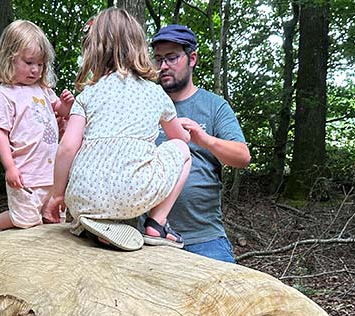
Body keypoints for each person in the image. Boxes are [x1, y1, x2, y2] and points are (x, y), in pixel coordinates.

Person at [43, 8, 192, 251]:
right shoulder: (156, 93)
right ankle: (157, 224)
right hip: (133, 193)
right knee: (182, 150)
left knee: (97, 175)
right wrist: (185, 130)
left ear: (95, 51)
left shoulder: (88, 95)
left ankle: (91, 220)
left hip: (82, 194)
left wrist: (57, 195)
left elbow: (67, 147)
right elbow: (180, 138)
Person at [150, 24, 251, 263]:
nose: (163, 66)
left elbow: (242, 157)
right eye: (158, 59)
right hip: (150, 238)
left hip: (204, 239)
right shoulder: (146, 103)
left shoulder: (214, 106)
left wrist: (204, 140)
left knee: (226, 300)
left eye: (172, 57)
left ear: (192, 58)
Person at [0, 20, 75, 234]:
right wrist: (9, 167)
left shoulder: (43, 89)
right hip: (25, 171)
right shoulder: (3, 95)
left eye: (40, 64)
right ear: (10, 58)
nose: (35, 70)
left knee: (55, 219)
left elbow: (61, 111)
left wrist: (65, 104)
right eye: (29, 62)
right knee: (25, 219)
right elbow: (0, 133)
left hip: (52, 171)